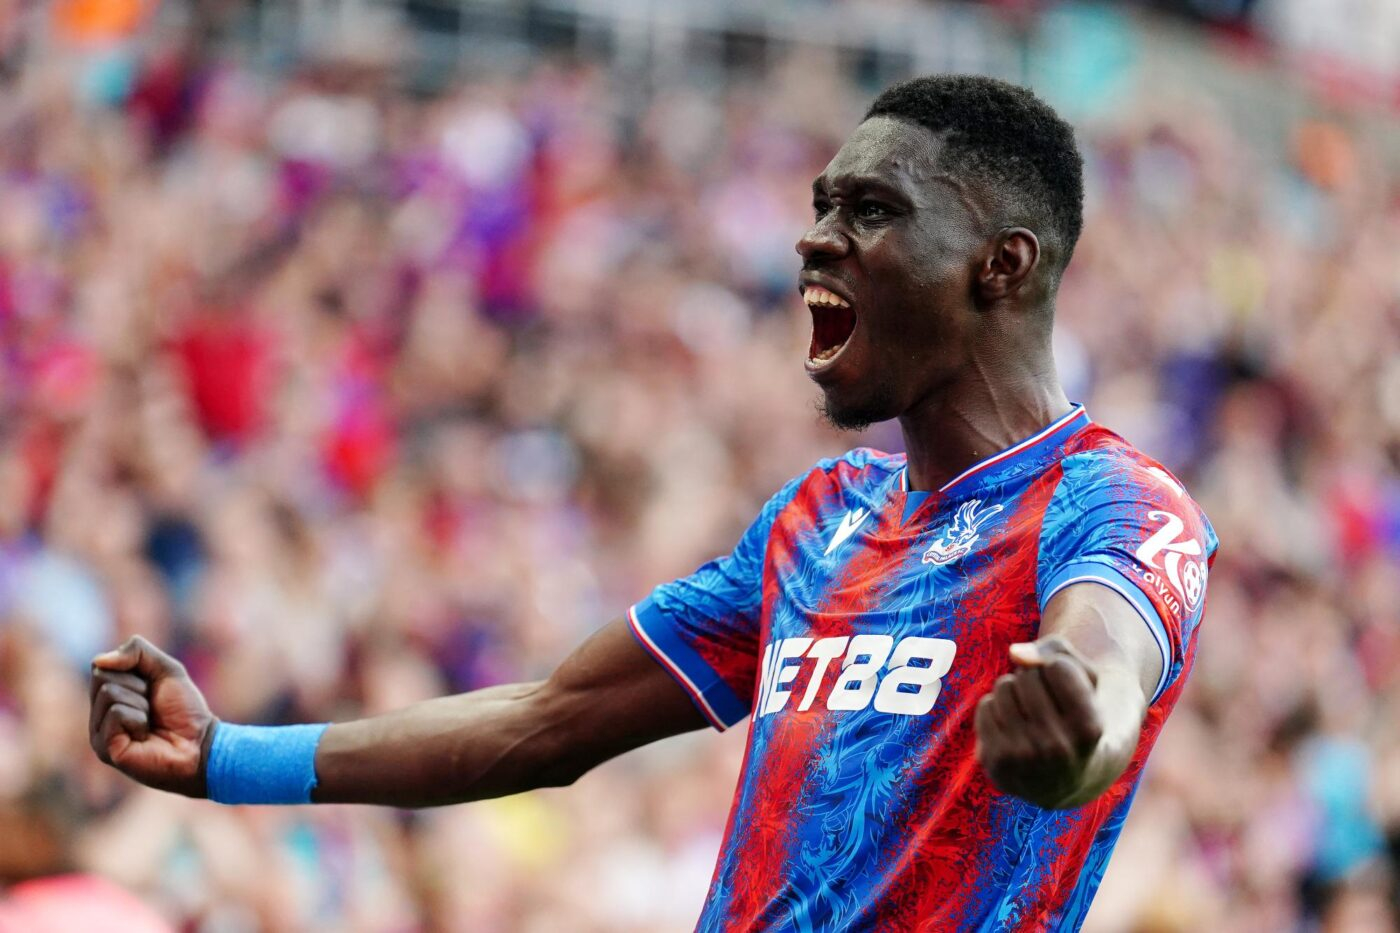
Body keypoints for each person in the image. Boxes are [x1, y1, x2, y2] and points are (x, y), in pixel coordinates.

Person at [88, 75, 1218, 931]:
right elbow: (545, 720)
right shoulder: (819, 519)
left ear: (1001, 265)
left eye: (870, 209)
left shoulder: (1109, 501)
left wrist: (1074, 733)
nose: (813, 238)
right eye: (820, 204)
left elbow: (1103, 674)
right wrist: (227, 757)